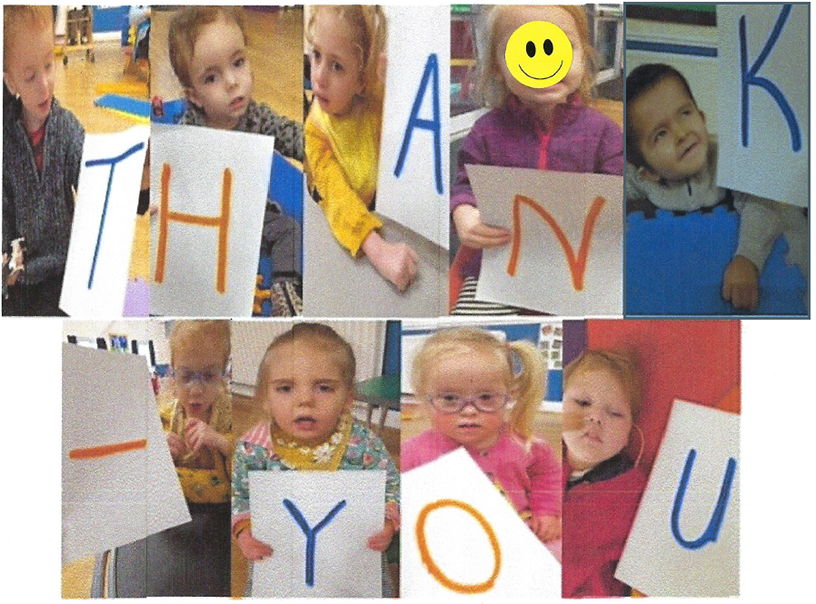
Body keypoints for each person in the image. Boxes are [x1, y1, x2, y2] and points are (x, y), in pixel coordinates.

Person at [450, 5, 623, 314]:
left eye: (558, 47)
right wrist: (463, 212)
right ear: (498, 67)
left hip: (579, 272)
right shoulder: (486, 132)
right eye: (527, 49)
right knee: (468, 326)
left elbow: (618, 202)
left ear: (582, 56)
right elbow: (465, 186)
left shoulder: (604, 134)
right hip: (499, 270)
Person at [231, 322, 400, 596]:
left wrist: (388, 523)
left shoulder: (365, 445)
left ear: (347, 399)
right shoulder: (252, 449)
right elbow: (240, 498)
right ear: (265, 398)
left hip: (351, 570)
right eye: (286, 388)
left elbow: (393, 488)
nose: (305, 401)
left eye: (323, 388)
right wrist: (244, 534)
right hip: (280, 569)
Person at [626, 63, 808, 311]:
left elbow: (761, 201)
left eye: (685, 113)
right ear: (649, 172)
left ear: (702, 117)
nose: (681, 133)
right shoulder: (637, 179)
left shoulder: (726, 157)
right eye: (660, 134)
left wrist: (747, 259)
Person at [168, 6, 304, 315]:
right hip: (212, 227)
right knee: (198, 260)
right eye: (212, 77)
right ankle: (230, 293)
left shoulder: (254, 116)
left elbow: (288, 133)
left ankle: (284, 289)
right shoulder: (190, 134)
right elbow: (175, 185)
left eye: (238, 63)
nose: (232, 82)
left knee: (290, 231)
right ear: (195, 96)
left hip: (254, 212)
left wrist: (319, 149)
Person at [402, 327, 561, 543]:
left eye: (486, 397)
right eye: (449, 399)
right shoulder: (413, 453)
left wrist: (547, 511)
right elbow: (400, 497)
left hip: (518, 540)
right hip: (449, 545)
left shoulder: (526, 445)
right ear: (424, 398)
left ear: (508, 395)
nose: (469, 410)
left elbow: (547, 475)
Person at [304, 5, 418, 292]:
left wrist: (393, 84)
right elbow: (337, 196)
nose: (318, 77)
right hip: (345, 219)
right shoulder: (316, 128)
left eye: (337, 66)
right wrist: (377, 249)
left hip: (381, 206)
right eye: (316, 56)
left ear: (361, 80)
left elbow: (406, 141)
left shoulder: (373, 104)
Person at [3, 5, 84, 316]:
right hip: (20, 281)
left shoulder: (66, 128)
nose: (45, 85)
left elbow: (94, 175)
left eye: (49, 66)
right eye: (30, 76)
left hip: (65, 271)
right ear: (10, 84)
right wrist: (8, 269)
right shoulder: (6, 142)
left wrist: (136, 186)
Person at [561, 349, 647, 598]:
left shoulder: (635, 492)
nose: (596, 417)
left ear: (631, 432)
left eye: (615, 413)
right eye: (583, 403)